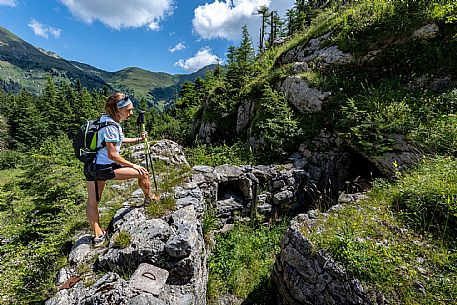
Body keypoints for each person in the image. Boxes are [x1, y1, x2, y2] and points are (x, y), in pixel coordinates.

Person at [84, 92, 159, 247]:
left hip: (91, 165)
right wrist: (132, 165)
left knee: (93, 201)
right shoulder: (111, 126)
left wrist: (138, 139)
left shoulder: (105, 120)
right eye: (128, 110)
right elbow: (112, 155)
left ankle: (98, 235)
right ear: (118, 110)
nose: (131, 113)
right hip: (104, 167)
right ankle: (149, 198)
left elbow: (117, 140)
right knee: (142, 173)